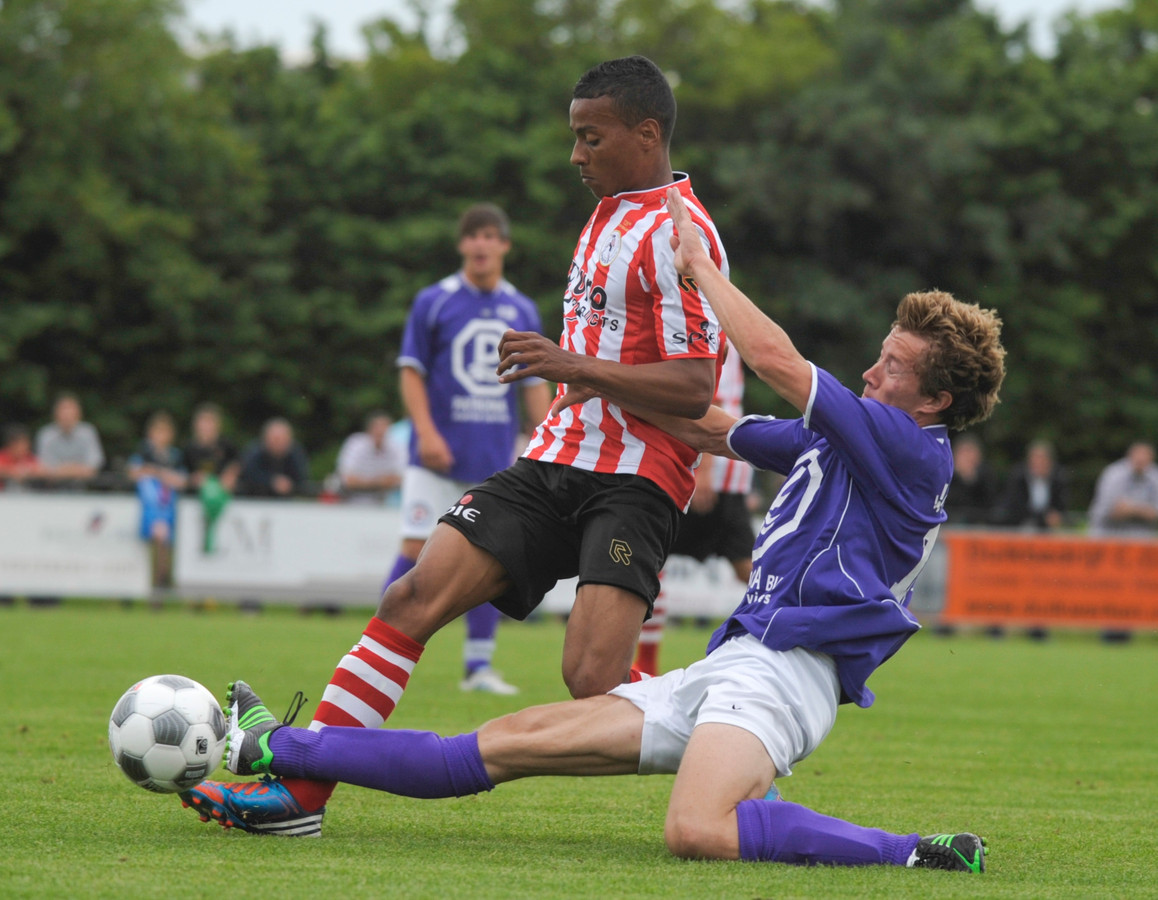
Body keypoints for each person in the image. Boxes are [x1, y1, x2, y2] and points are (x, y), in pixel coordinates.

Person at [196, 190, 1006, 874]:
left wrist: (699, 271)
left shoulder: (910, 448)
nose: (871, 372)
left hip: (787, 677)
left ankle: (913, 851)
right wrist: (586, 376)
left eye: (893, 367)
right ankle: (279, 748)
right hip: (730, 663)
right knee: (494, 745)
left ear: (932, 401)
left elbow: (777, 360)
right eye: (880, 356)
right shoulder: (858, 437)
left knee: (696, 830)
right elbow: (717, 430)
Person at [182, 55, 728, 833]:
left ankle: (733, 735)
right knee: (410, 596)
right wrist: (576, 379)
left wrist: (571, 363)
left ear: (646, 134)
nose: (575, 154)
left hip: (635, 480)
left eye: (590, 137)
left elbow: (694, 385)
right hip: (554, 457)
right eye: (574, 136)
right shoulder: (609, 210)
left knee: (591, 677)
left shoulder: (682, 232)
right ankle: (299, 797)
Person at [386, 203, 552, 695]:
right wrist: (427, 432)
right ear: (462, 245)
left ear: (504, 245)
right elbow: (411, 369)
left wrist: (543, 439)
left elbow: (533, 385)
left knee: (487, 555)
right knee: (417, 550)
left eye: (490, 236)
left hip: (493, 458)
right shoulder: (434, 301)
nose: (481, 244)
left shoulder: (521, 309)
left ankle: (478, 668)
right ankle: (378, 651)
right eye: (472, 236)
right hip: (435, 457)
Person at [634, 346, 756, 676]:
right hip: (684, 463)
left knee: (748, 568)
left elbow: (712, 397)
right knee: (652, 558)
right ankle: (644, 664)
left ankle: (792, 628)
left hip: (713, 472)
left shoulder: (711, 325)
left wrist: (705, 468)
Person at [127, 411, 188, 590]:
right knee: (157, 540)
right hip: (149, 508)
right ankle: (156, 584)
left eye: (164, 432)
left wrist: (157, 472)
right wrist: (160, 473)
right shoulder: (143, 453)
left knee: (166, 544)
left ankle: (161, 582)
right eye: (157, 432)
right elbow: (134, 473)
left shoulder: (175, 456)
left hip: (168, 508)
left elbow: (181, 481)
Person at [993, 439, 1069, 530]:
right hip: (1017, 527)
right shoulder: (1018, 478)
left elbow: (1061, 507)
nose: (1039, 464)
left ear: (1050, 462)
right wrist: (1044, 518)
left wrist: (1056, 517)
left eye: (1043, 460)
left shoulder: (1058, 479)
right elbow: (1016, 508)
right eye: (1035, 460)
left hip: (1047, 530)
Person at [1087, 441, 1158, 536]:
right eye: (1138, 457)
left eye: (1144, 458)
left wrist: (1131, 508)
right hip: (1108, 535)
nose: (1140, 460)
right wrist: (1144, 510)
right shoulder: (1113, 474)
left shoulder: (1155, 476)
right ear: (1129, 456)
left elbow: (1154, 514)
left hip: (1142, 538)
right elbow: (1110, 512)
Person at [34, 393, 105, 488]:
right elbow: (42, 466)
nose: (67, 416)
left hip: (85, 488)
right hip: (51, 488)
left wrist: (61, 471)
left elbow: (95, 463)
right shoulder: (46, 434)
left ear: (78, 414)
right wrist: (76, 470)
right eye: (63, 411)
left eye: (70, 412)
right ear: (56, 414)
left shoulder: (88, 432)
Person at [335, 410, 405, 506]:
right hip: (351, 502)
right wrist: (380, 482)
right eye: (378, 428)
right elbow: (347, 480)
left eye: (384, 428)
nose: (381, 432)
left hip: (385, 504)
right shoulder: (355, 444)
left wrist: (363, 482)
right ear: (370, 429)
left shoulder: (396, 447)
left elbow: (402, 478)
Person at [236, 418, 311, 498]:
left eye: (282, 439)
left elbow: (302, 478)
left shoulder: (296, 454)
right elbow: (247, 475)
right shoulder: (253, 453)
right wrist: (271, 482)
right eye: (275, 440)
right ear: (265, 439)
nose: (278, 443)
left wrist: (289, 484)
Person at [183, 403, 241, 495]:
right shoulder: (189, 448)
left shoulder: (227, 445)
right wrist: (193, 479)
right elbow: (183, 475)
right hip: (197, 497)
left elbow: (238, 463)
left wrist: (230, 474)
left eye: (210, 422)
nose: (206, 426)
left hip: (224, 495)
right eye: (203, 422)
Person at [945, 433, 998, 525]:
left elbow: (990, 503)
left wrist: (971, 480)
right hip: (949, 521)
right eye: (964, 453)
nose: (967, 458)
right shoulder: (945, 473)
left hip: (979, 523)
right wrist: (957, 477)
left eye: (971, 453)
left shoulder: (986, 474)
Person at [0, 424, 44, 491]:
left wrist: (29, 472)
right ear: (12, 444)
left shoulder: (29, 457)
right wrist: (13, 472)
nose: (27, 447)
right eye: (23, 444)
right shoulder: (3, 456)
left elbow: (42, 471)